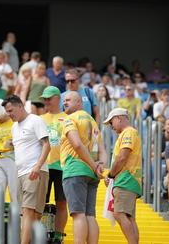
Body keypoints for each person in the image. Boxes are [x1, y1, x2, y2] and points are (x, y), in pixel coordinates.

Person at [2, 95, 50, 244]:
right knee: (31, 214)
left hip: (34, 171)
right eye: (7, 111)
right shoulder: (14, 127)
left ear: (21, 106)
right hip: (21, 173)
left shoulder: (36, 120)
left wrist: (37, 166)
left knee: (29, 211)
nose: (9, 114)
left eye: (11, 110)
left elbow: (47, 145)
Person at [61, 91, 107, 244]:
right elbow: (102, 150)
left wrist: (94, 166)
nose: (65, 102)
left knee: (78, 215)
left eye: (68, 100)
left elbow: (77, 145)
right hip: (91, 174)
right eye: (64, 100)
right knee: (89, 215)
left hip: (75, 170)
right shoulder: (93, 122)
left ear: (79, 103)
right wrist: (100, 165)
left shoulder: (69, 119)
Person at [104, 108, 142, 244]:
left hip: (126, 179)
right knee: (129, 217)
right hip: (131, 180)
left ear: (119, 118)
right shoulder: (130, 132)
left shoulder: (128, 132)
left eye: (111, 122)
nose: (111, 126)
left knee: (119, 213)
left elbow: (122, 157)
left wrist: (110, 174)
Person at [40, 86, 67, 242]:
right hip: (43, 166)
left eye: (49, 98)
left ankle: (58, 235)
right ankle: (39, 233)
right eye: (44, 98)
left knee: (62, 202)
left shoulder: (67, 118)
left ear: (58, 99)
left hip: (62, 166)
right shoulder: (40, 119)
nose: (46, 101)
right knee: (40, 202)